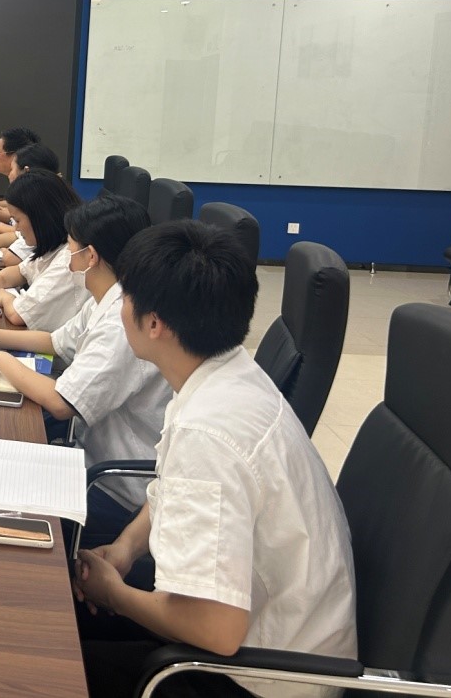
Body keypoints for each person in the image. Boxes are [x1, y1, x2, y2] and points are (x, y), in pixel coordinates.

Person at [73, 221, 357, 698]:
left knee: (38, 661)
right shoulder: (227, 373)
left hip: (256, 677)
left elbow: (216, 629)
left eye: (125, 297)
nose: (118, 308)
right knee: (59, 607)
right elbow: (171, 484)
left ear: (154, 324)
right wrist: (125, 548)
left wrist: (115, 596)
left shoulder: (207, 432)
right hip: (268, 636)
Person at [0, 193, 166, 540]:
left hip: (116, 489)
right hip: (88, 453)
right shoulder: (110, 296)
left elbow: (61, 403)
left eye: (71, 248)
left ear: (91, 256)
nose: (67, 260)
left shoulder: (122, 320)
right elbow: (54, 341)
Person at [0, 169, 87, 329]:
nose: (16, 228)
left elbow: (19, 315)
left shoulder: (69, 261)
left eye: (17, 220)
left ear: (41, 218)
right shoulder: (54, 244)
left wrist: (4, 298)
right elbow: (20, 271)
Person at [0, 142, 62, 264]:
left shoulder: (41, 205)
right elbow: (18, 232)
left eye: (12, 168)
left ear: (26, 171)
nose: (10, 174)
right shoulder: (52, 197)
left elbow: (13, 252)